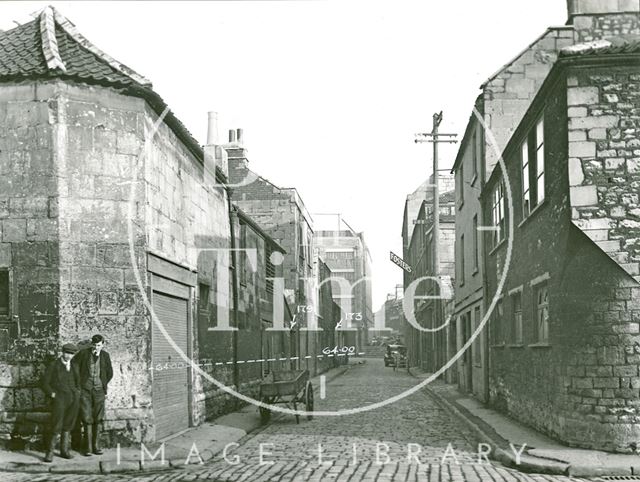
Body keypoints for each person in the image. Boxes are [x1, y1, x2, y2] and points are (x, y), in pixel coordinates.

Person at [73, 334, 113, 456]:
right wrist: (79, 384)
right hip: (85, 390)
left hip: (99, 391)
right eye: (95, 345)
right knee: (86, 418)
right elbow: (74, 368)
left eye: (99, 345)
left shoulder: (105, 355)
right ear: (91, 344)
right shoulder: (83, 354)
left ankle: (96, 446)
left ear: (103, 344)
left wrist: (102, 383)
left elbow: (110, 372)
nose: (96, 347)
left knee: (98, 418)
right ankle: (88, 447)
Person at [40, 343, 80, 463]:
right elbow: (44, 383)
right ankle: (50, 452)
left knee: (68, 424)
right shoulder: (54, 365)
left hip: (73, 399)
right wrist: (52, 394)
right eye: (67, 353)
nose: (68, 356)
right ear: (62, 352)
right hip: (60, 399)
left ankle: (64, 451)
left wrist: (78, 393)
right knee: (56, 424)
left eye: (71, 354)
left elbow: (78, 382)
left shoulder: (75, 365)